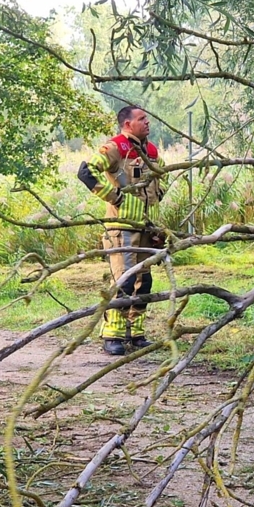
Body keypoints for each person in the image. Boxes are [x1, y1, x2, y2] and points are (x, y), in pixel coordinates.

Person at [78, 106, 168, 356]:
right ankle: (112, 335)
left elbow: (163, 175)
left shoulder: (150, 150)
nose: (147, 122)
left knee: (144, 282)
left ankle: (136, 333)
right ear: (127, 124)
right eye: (141, 119)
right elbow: (86, 172)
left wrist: (158, 199)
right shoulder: (115, 147)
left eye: (147, 118)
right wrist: (116, 198)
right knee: (125, 280)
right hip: (122, 228)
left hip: (147, 227)